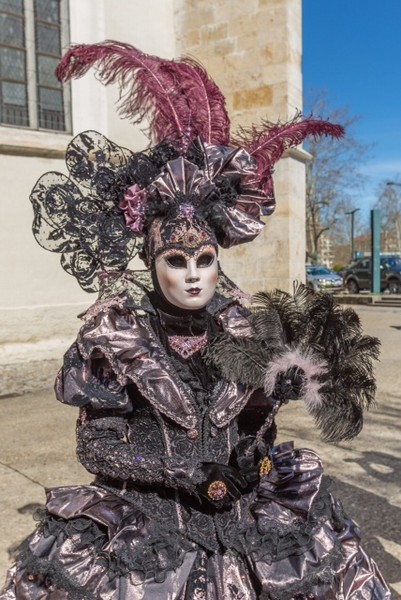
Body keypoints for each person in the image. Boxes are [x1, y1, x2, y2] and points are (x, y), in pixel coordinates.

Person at [0, 42, 391, 599]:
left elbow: (254, 436)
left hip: (245, 520)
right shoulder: (116, 338)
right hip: (152, 524)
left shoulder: (245, 332)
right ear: (151, 261)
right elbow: (97, 445)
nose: (192, 275)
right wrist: (183, 472)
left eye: (204, 260)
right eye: (175, 260)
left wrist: (252, 456)